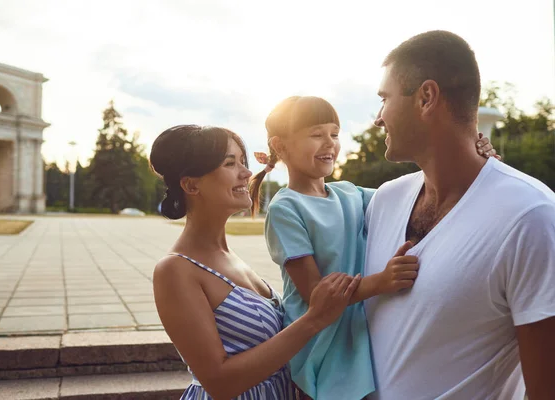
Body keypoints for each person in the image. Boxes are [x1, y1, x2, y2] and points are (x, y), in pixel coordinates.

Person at [249, 96, 496, 399]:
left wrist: (471, 158)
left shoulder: (351, 194)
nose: (329, 143)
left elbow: (421, 192)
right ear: (281, 145)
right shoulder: (286, 208)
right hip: (319, 344)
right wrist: (383, 281)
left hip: (357, 335)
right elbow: (317, 295)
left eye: (334, 134)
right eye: (316, 135)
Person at [365, 30, 555, 400]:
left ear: (426, 97)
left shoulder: (530, 216)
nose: (378, 117)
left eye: (384, 99)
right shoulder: (384, 201)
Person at [150, 124, 362, 400]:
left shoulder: (230, 258)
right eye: (230, 163)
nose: (247, 172)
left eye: (243, 161)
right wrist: (314, 319)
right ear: (191, 185)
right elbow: (219, 383)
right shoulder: (175, 270)